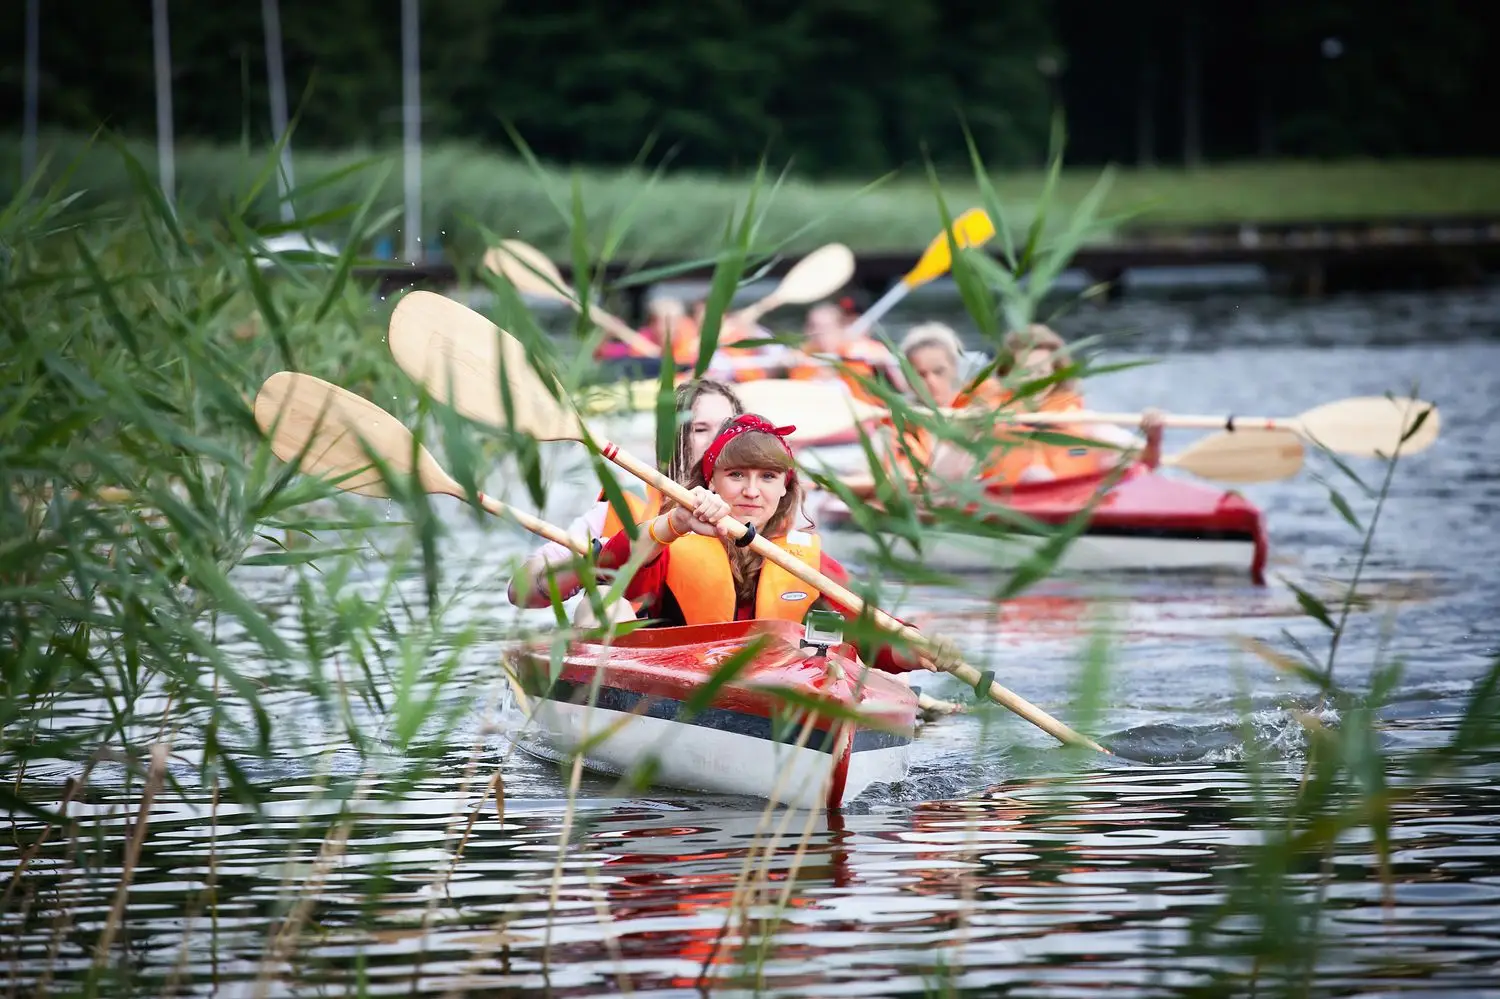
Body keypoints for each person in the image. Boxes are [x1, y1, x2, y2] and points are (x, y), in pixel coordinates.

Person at [593, 413, 957, 674]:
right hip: (679, 685)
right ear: (712, 481)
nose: (752, 491)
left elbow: (873, 636)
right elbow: (606, 569)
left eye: (767, 476)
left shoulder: (807, 560)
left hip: (773, 695)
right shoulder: (671, 541)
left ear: (785, 487)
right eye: (736, 475)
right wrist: (674, 522)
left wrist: (913, 650)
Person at [506, 379, 743, 613]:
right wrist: (597, 560)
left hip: (726, 646)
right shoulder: (627, 506)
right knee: (602, 599)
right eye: (699, 429)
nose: (717, 440)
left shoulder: (761, 504)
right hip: (638, 641)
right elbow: (521, 591)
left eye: (727, 428)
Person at [985, 324, 1164, 485]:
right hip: (1006, 509)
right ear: (1007, 374)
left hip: (1068, 510)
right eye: (1025, 373)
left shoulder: (1084, 422)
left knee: (1039, 476)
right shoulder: (984, 419)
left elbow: (1148, 462)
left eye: (1043, 372)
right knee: (1035, 475)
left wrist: (1153, 439)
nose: (1035, 381)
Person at [786, 303, 900, 404]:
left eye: (827, 327)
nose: (820, 333)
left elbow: (900, 383)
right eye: (814, 326)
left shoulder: (860, 351)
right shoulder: (800, 358)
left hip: (859, 418)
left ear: (840, 328)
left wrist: (883, 359)